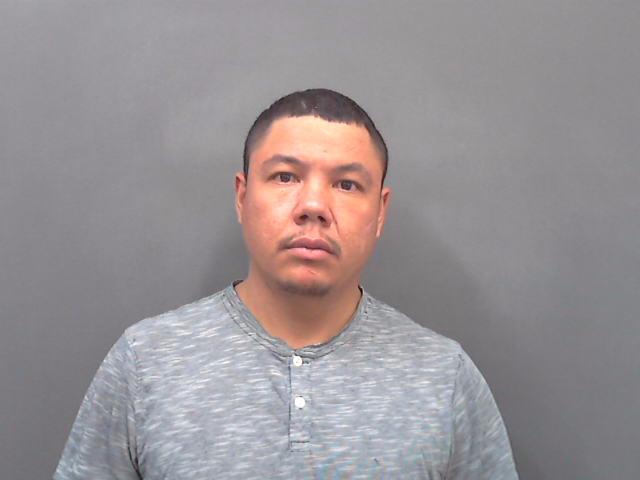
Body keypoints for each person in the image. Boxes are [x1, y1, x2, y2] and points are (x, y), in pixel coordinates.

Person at [54, 88, 518, 479]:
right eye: (285, 176)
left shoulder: (444, 377)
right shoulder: (145, 363)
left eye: (347, 184)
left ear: (380, 211)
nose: (313, 205)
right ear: (242, 196)